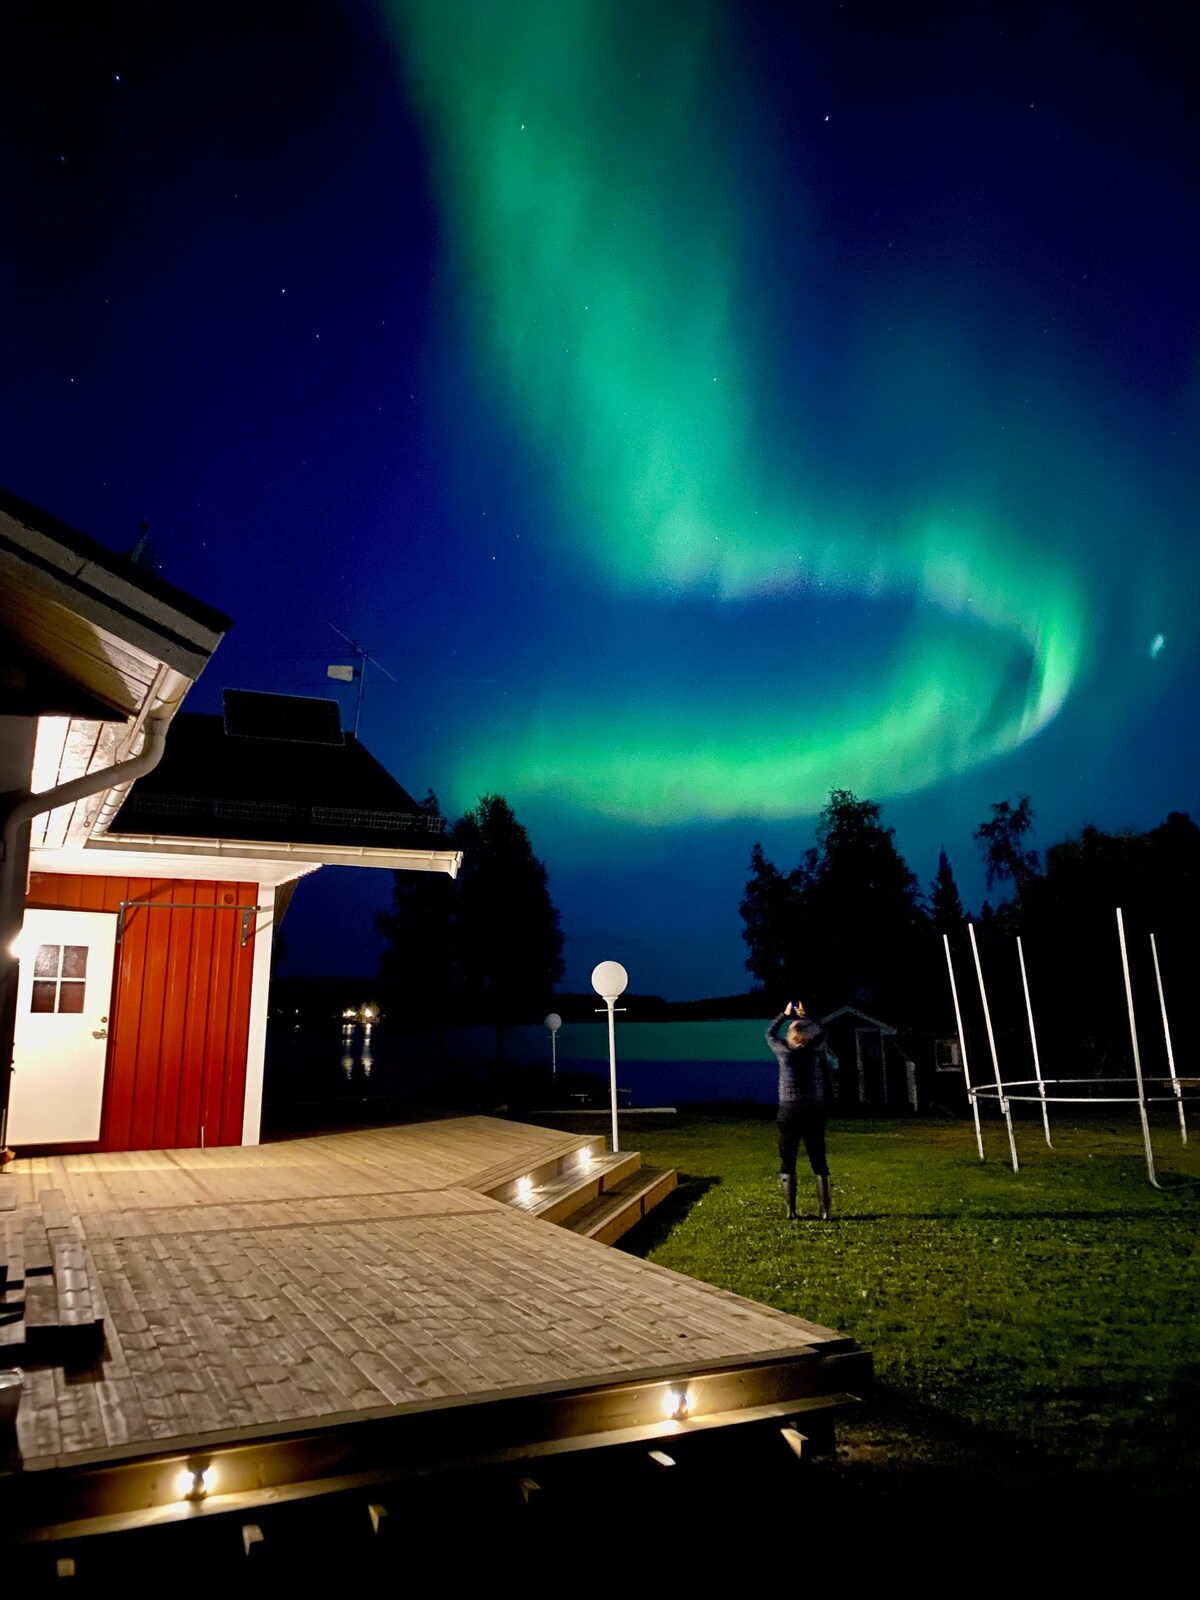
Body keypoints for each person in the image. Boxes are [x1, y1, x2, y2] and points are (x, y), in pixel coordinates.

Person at [766, 1000, 833, 1221]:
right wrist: (805, 1015)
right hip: (813, 1110)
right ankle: (824, 1211)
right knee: (818, 1159)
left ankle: (790, 1211)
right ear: (806, 1035)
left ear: (790, 1037)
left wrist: (784, 1015)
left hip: (789, 1110)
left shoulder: (784, 1052)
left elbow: (769, 1033)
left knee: (788, 1159)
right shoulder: (814, 1051)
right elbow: (823, 1030)